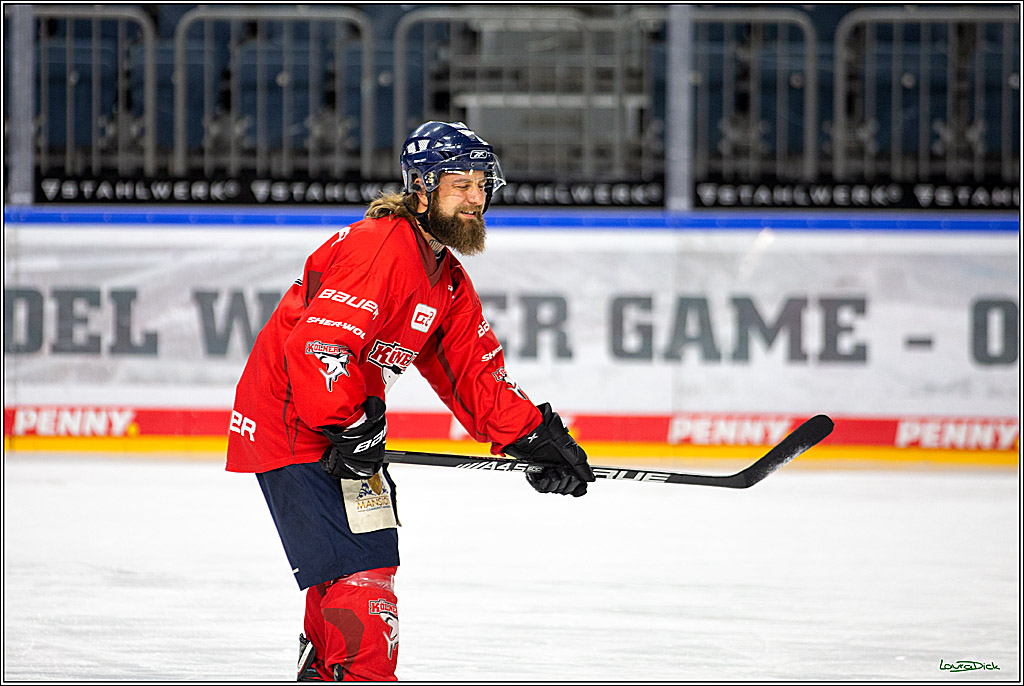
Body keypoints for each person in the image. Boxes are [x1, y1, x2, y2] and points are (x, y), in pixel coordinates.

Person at [225, 121, 595, 681]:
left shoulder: (445, 277)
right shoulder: (382, 250)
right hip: (295, 425)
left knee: (356, 567)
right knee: (362, 575)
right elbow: (319, 346)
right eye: (459, 184)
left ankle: (328, 668)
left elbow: (474, 373)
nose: (476, 198)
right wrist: (348, 426)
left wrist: (535, 439)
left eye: (481, 185)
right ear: (421, 189)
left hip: (344, 429)